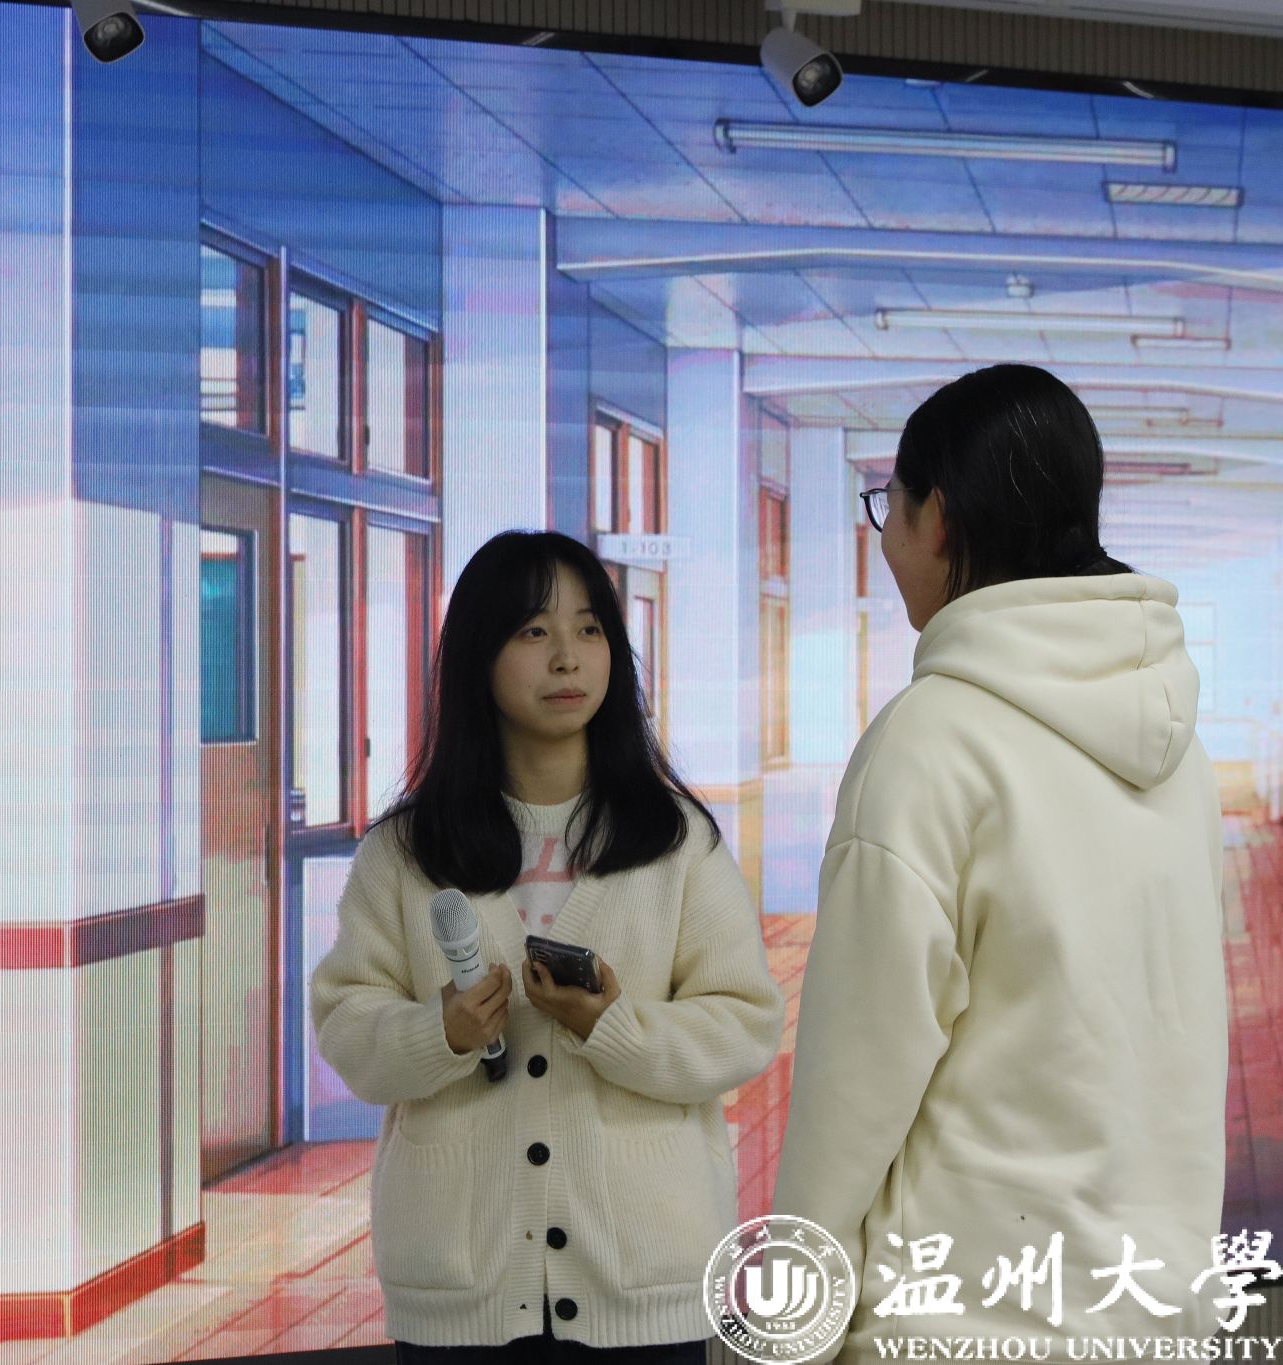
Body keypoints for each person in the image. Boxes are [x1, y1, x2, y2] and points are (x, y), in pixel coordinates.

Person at [774, 364, 1227, 1359]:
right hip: (1151, 1311)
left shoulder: (928, 740)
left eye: (887, 507)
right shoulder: (1177, 746)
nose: (885, 540)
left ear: (937, 518)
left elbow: (855, 1087)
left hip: (956, 1319)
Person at [311, 529, 782, 1364]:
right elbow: (350, 1032)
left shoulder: (678, 841)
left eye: (589, 627)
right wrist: (441, 1033)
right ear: (478, 655)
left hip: (647, 1279)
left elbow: (744, 1027)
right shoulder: (405, 851)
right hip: (460, 1289)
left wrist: (613, 1026)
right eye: (534, 630)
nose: (568, 656)